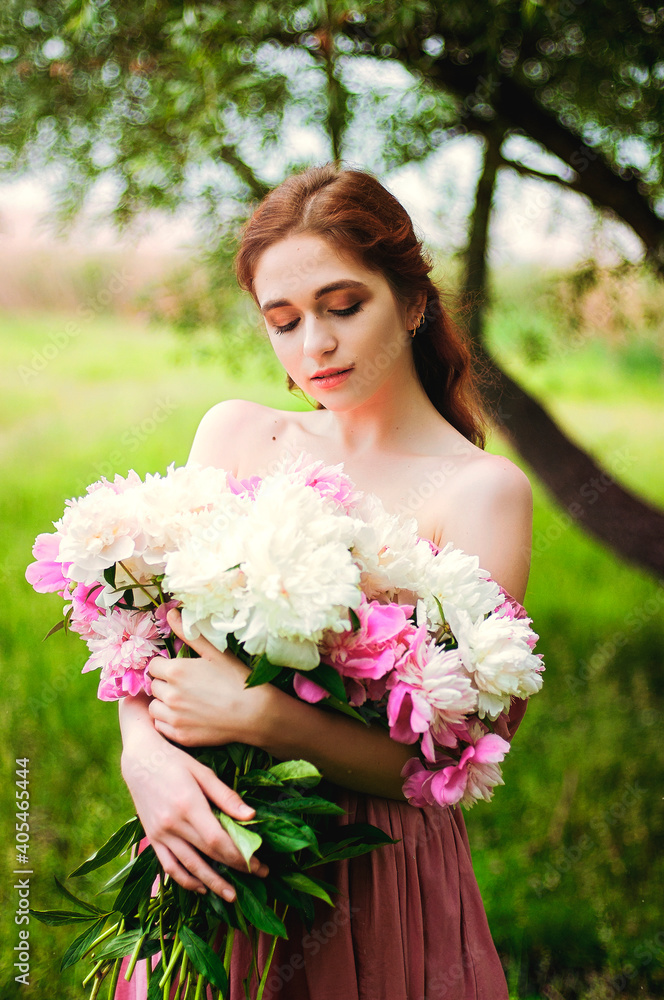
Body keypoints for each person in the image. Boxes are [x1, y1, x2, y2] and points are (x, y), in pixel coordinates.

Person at [117, 164, 533, 1000]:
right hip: (200, 836)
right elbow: (139, 633)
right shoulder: (237, 434)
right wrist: (142, 760)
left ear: (413, 302)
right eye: (284, 321)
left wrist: (267, 717)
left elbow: (449, 763)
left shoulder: (480, 491)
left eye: (344, 307)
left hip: (375, 874)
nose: (316, 346)